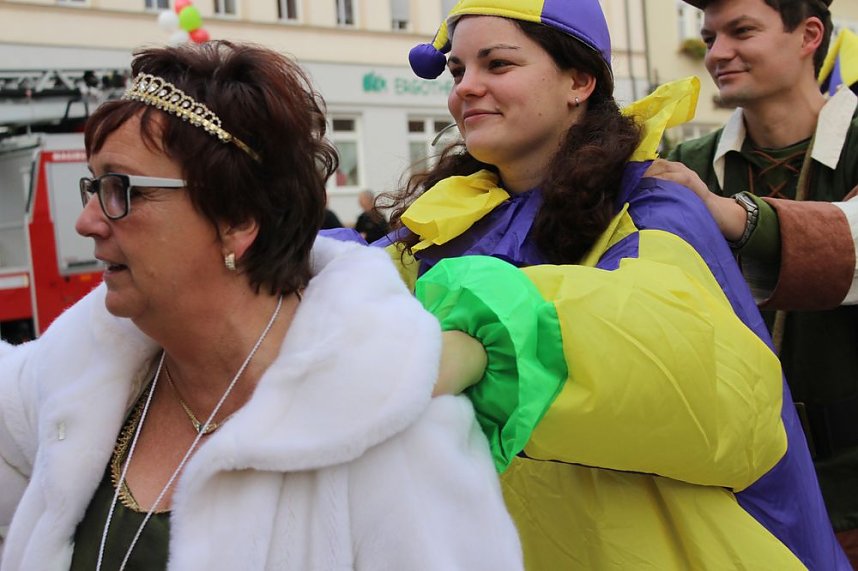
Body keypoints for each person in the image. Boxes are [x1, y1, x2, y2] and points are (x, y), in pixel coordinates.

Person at [0, 41, 524, 570]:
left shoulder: (389, 430)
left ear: (237, 218)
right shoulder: (81, 368)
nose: (86, 221)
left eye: (120, 189)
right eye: (92, 187)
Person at [394, 0, 850, 568]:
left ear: (579, 81)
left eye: (499, 65)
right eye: (459, 71)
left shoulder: (656, 198)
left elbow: (671, 347)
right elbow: (352, 286)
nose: (468, 88)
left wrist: (484, 342)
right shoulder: (446, 218)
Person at [649, 0, 858, 562]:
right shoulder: (687, 159)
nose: (717, 53)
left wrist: (727, 215)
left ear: (808, 34)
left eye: (741, 31)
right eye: (708, 35)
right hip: (735, 491)